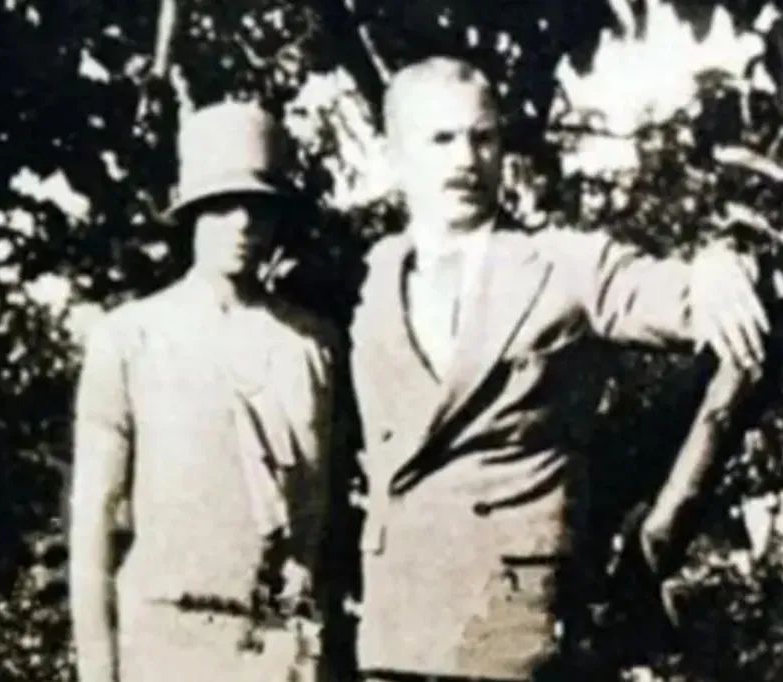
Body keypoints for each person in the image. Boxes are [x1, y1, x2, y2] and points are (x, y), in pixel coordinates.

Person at [349, 56, 769, 681]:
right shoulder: (366, 281)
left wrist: (720, 261)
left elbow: (678, 296)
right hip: (398, 625)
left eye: (483, 138)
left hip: (515, 625)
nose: (466, 159)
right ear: (396, 156)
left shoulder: (561, 265)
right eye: (441, 139)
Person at [69, 100, 335, 682]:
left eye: (258, 207)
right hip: (164, 644)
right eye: (221, 205)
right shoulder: (131, 338)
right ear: (190, 214)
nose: (241, 223)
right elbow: (93, 521)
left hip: (273, 649)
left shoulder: (310, 345)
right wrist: (97, 667)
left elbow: (315, 521)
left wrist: (300, 652)